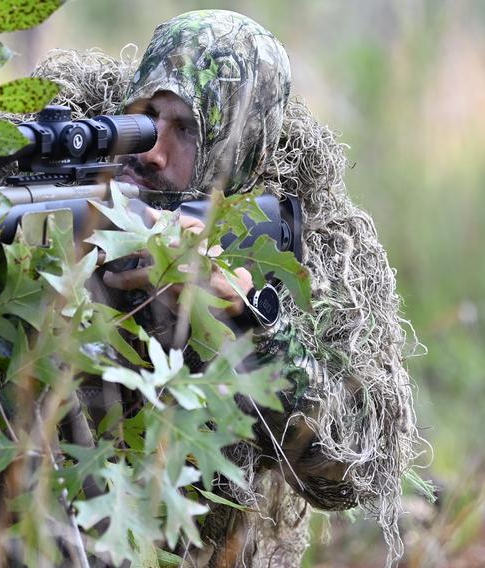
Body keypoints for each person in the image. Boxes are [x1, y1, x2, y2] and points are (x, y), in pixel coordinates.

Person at [78, 9, 421, 567]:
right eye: (142, 119)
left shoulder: (310, 244)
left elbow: (353, 471)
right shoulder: (76, 194)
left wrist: (240, 321)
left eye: (186, 129)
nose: (151, 152)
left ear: (240, 150)